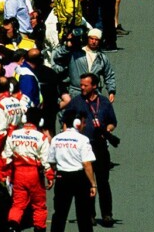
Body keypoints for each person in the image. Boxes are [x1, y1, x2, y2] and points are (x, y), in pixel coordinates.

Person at [62, 73, 119, 226]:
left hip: (99, 146)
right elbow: (65, 121)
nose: (82, 88)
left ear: (94, 86)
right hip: (82, 146)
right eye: (81, 85)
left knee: (103, 182)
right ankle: (89, 215)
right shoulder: (76, 102)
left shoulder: (105, 102)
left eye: (85, 85)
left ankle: (107, 214)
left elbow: (113, 122)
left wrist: (107, 130)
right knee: (87, 181)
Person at [48, 113, 98, 232]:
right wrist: (93, 183)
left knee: (60, 213)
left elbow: (51, 161)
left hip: (62, 176)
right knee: (83, 214)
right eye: (83, 122)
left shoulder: (56, 139)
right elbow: (87, 164)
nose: (84, 125)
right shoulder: (83, 139)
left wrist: (58, 169)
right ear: (77, 123)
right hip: (79, 178)